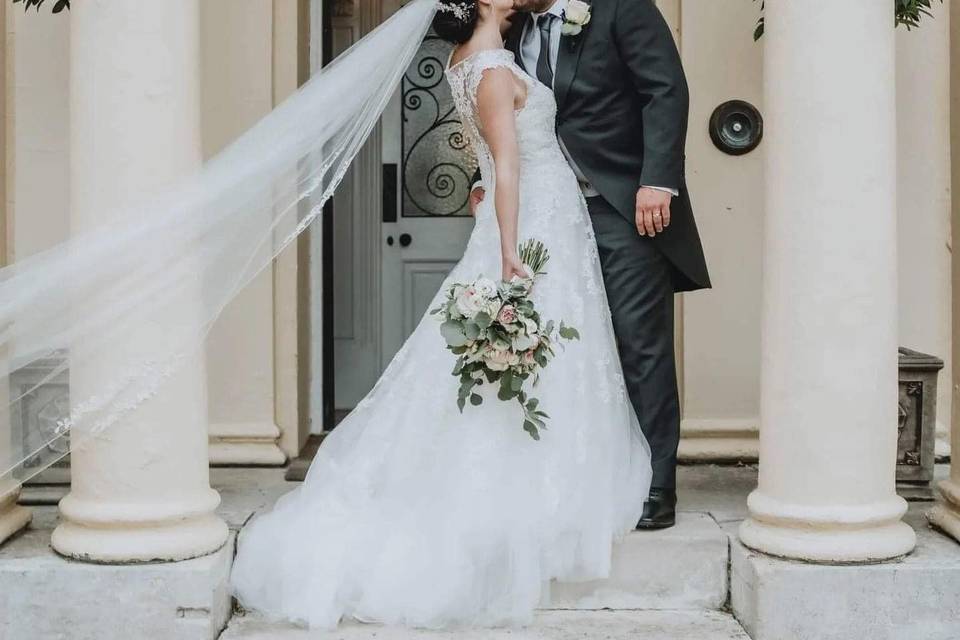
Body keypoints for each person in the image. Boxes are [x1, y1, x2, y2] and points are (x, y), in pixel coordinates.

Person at [229, 0, 657, 629]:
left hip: (544, 215)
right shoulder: (486, 67)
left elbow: (492, 158)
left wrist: (488, 198)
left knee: (547, 355)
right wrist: (509, 250)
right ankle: (522, 501)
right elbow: (507, 161)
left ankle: (552, 490)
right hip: (535, 223)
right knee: (531, 352)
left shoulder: (473, 60)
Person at [470, 0, 710, 529]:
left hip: (622, 207)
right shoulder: (513, 33)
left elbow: (665, 89)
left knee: (638, 344)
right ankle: (581, 478)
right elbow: (504, 120)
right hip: (548, 218)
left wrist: (658, 181)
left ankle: (655, 488)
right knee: (562, 347)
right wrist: (482, 179)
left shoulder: (620, 8)